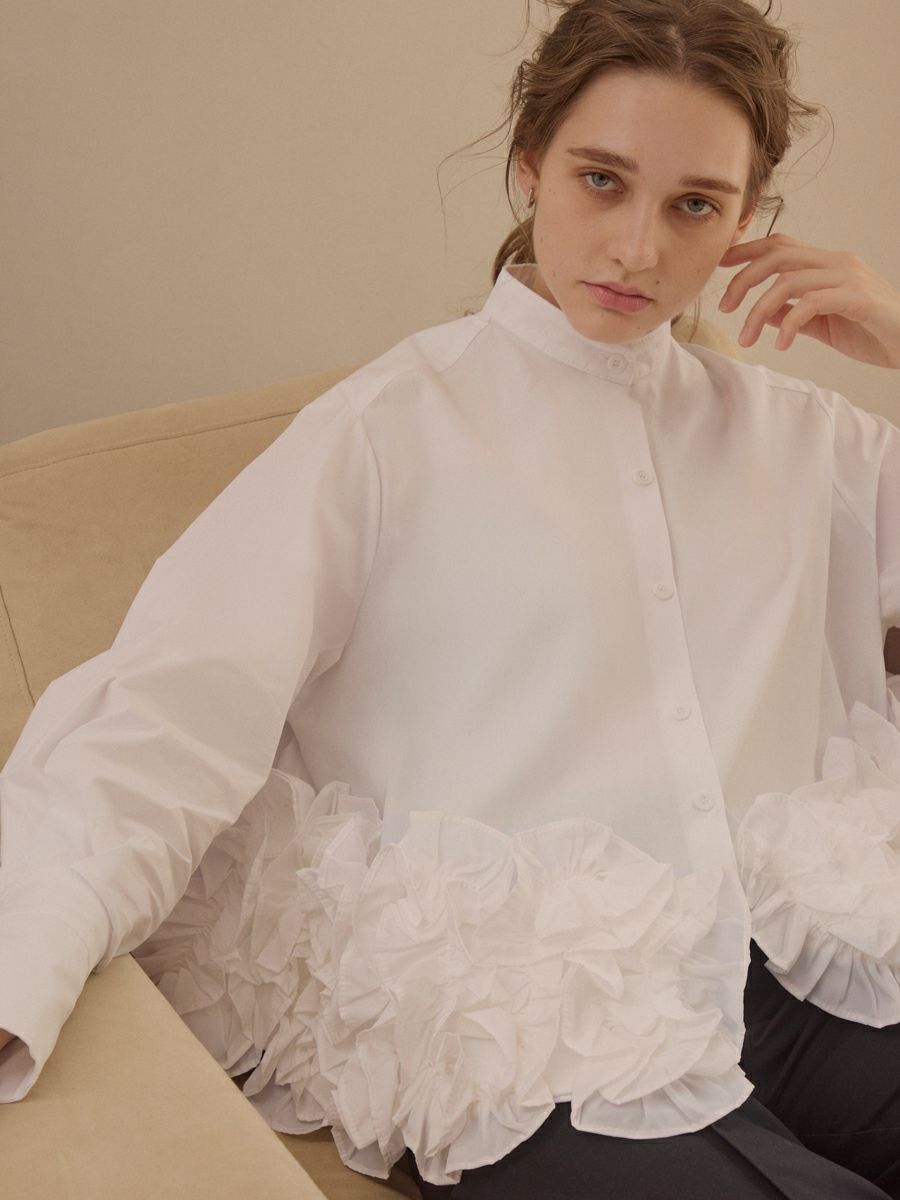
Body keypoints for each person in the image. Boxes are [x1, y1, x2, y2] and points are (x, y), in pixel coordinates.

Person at [1, 0, 899, 1196]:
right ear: (529, 165)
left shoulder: (811, 442)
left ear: (747, 221)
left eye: (696, 204)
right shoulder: (382, 437)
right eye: (601, 180)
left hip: (810, 961)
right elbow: (164, 716)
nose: (638, 249)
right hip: (529, 1025)